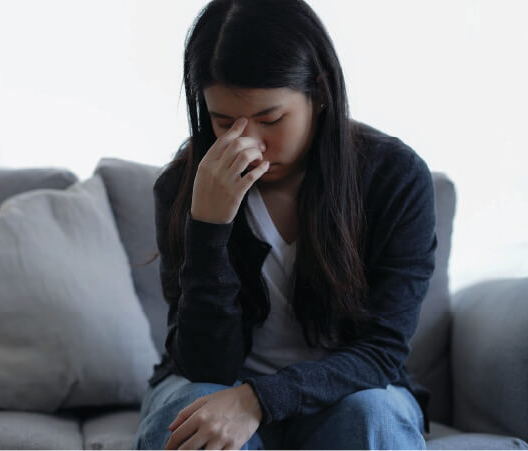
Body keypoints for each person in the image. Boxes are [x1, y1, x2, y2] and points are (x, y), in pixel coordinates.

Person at [132, 0, 437, 449]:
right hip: (217, 385)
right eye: (223, 122)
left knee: (371, 413)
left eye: (270, 119)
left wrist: (259, 399)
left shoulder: (394, 177)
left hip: (347, 392)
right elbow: (205, 367)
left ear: (319, 90)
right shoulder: (183, 187)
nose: (248, 142)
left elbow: (381, 352)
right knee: (193, 409)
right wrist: (209, 228)